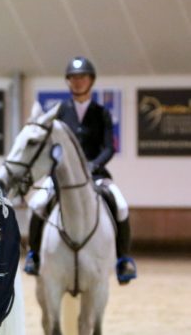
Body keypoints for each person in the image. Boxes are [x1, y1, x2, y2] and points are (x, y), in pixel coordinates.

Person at [24, 56, 137, 284]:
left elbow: (108, 148)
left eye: (82, 77)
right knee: (37, 203)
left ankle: (123, 259)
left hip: (95, 174)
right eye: (73, 78)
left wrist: (93, 165)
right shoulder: (59, 112)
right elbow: (51, 145)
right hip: (61, 174)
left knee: (121, 205)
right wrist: (57, 164)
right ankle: (34, 255)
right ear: (67, 81)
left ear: (91, 81)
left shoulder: (101, 113)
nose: (77, 82)